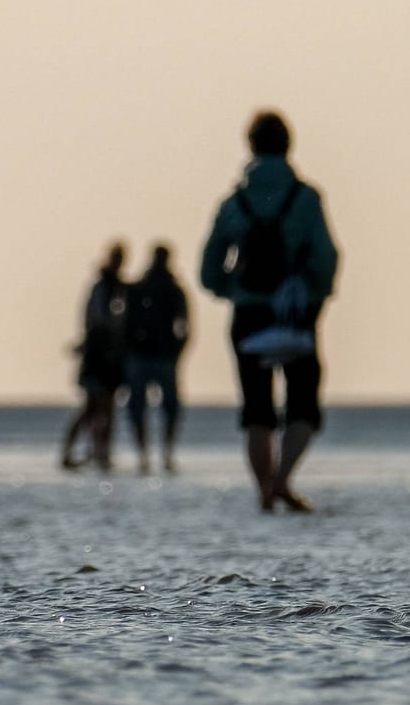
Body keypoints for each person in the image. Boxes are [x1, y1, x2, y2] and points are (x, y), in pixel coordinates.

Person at [199, 111, 339, 513]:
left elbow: (209, 267)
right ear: (288, 145)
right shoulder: (306, 198)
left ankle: (263, 491)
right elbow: (326, 257)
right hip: (295, 312)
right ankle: (283, 480)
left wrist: (233, 290)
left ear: (250, 146)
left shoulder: (234, 202)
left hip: (248, 313)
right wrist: (314, 296)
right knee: (303, 402)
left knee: (256, 407)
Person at [123, 243, 189, 474]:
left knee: (160, 407)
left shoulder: (162, 289)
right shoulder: (147, 288)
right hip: (150, 355)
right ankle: (155, 454)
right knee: (145, 407)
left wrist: (178, 351)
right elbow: (185, 326)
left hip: (157, 356)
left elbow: (185, 325)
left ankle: (159, 454)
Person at [60, 244, 127, 471]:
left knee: (106, 408)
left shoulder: (116, 287)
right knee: (93, 407)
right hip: (98, 356)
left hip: (108, 357)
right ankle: (77, 452)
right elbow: (98, 321)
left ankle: (101, 453)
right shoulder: (103, 288)